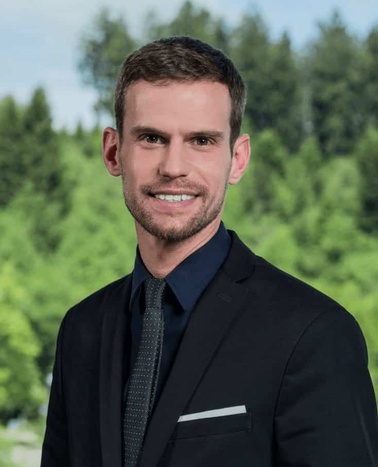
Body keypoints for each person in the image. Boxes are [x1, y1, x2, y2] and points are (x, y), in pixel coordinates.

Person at [41, 36, 378, 467]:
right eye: (151, 138)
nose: (174, 167)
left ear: (237, 160)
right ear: (113, 151)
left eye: (201, 140)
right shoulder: (80, 330)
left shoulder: (313, 334)